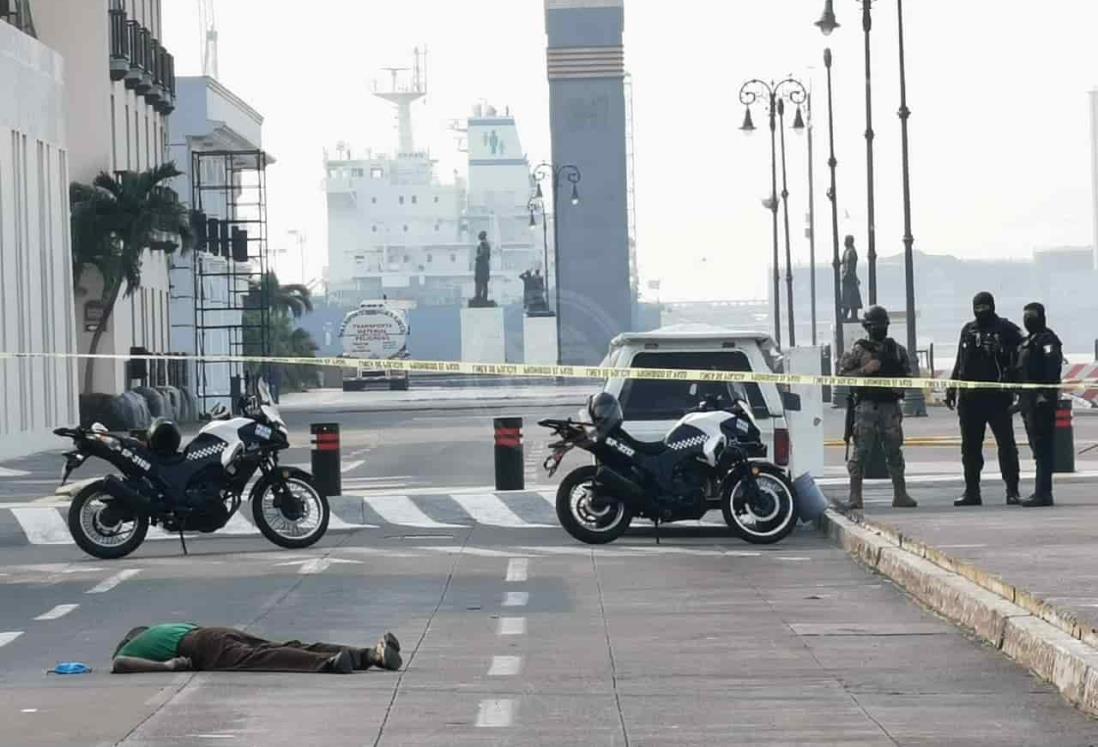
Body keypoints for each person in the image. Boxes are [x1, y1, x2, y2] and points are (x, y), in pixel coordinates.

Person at [834, 305, 918, 510]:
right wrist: (865, 370)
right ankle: (855, 496)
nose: (880, 329)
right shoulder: (858, 350)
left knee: (894, 451)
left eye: (883, 325)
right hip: (866, 407)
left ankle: (900, 494)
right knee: (860, 452)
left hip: (889, 407)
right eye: (876, 326)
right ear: (867, 327)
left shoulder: (897, 350)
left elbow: (908, 376)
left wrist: (900, 387)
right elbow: (842, 377)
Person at [946, 292, 1024, 506]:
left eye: (984, 307)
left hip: (997, 398)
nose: (980, 312)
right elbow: (959, 361)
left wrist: (1002, 351)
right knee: (970, 448)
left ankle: (1012, 490)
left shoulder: (1006, 329)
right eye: (977, 308)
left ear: (992, 306)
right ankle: (972, 491)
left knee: (1006, 445)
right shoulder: (968, 330)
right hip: (970, 399)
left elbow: (1022, 352)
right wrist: (952, 387)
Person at [110, 623, 401, 675]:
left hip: (200, 646)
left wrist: (167, 666)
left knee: (263, 658)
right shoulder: (162, 629)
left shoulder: (133, 647)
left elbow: (120, 663)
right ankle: (369, 655)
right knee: (286, 645)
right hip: (213, 631)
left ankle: (328, 662)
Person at [1015, 302, 1063, 507]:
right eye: (1025, 315)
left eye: (1031, 315)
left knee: (1043, 449)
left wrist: (1044, 394)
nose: (1028, 319)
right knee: (1037, 448)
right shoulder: (1027, 341)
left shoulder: (1048, 340)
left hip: (1042, 403)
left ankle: (1043, 493)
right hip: (1028, 403)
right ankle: (1040, 491)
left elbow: (1052, 370)